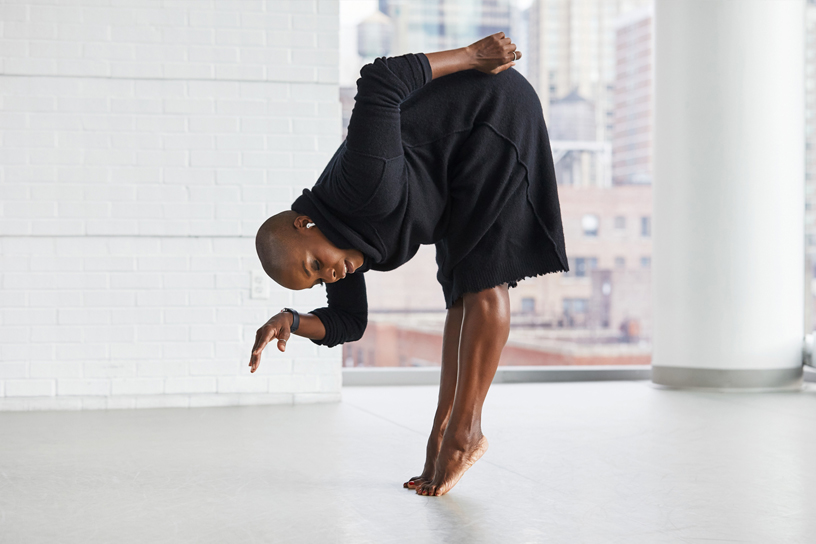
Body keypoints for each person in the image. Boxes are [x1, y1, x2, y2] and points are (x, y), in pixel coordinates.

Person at [250, 33, 569, 497]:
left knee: (481, 283)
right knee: (460, 292)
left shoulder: (360, 185)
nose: (331, 275)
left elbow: (381, 80)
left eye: (316, 264)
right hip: (452, 163)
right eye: (317, 278)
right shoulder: (342, 249)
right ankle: (443, 434)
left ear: (306, 223)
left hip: (490, 112)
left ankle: (464, 434)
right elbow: (348, 322)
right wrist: (292, 321)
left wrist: (473, 57)